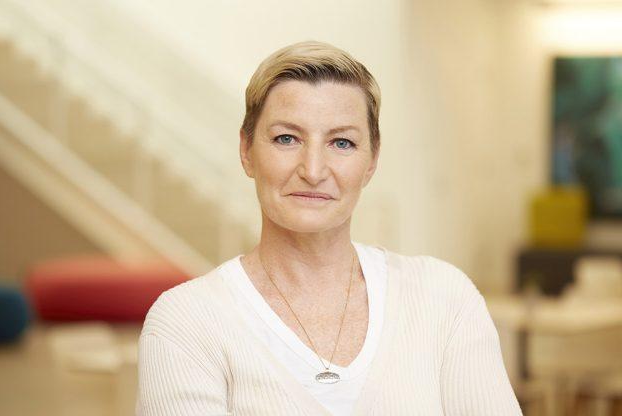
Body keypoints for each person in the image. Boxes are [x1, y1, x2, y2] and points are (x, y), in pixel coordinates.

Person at [136, 40, 522, 416]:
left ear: (372, 161)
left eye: (341, 143)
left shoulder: (444, 299)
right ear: (246, 150)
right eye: (287, 138)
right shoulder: (187, 322)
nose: (313, 170)